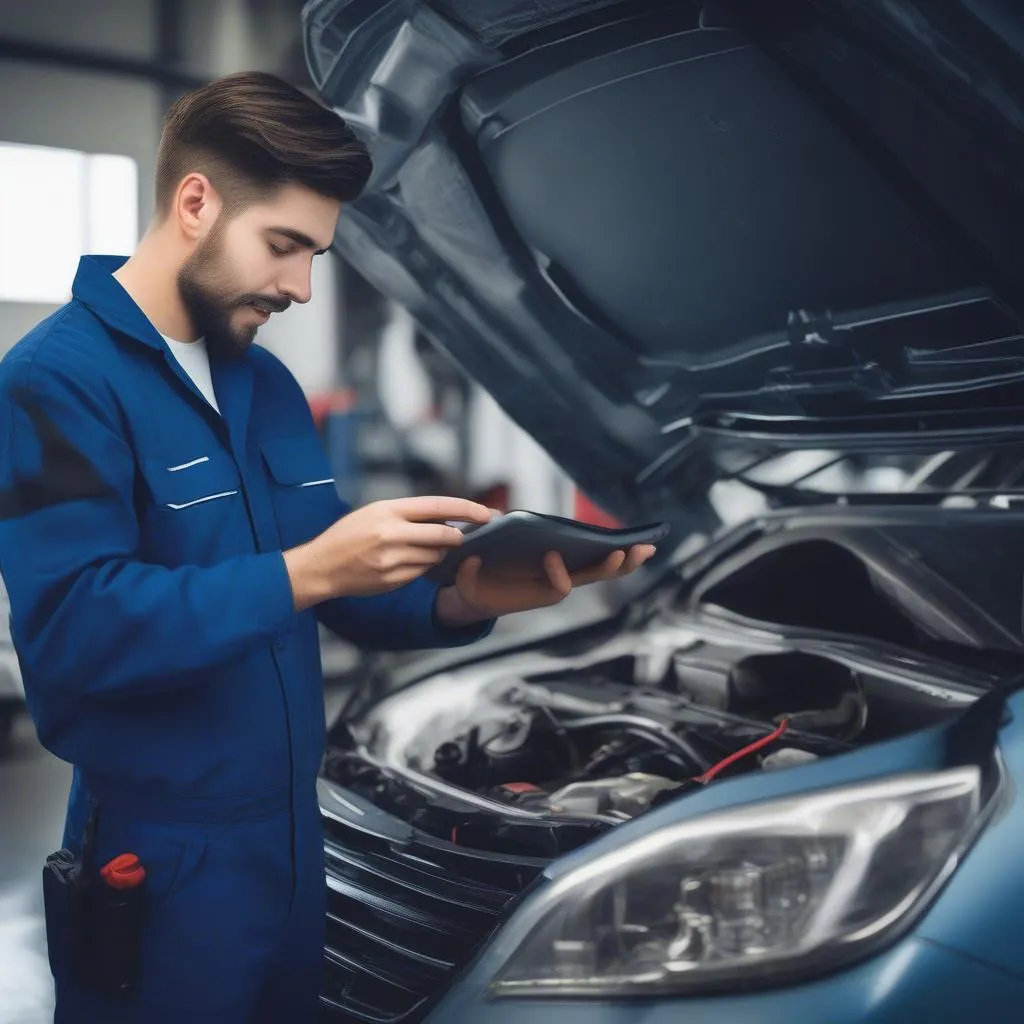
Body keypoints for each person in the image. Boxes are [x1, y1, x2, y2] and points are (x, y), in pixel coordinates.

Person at [0, 71, 655, 1023]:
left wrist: (462, 598)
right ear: (195, 204)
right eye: (285, 246)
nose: (302, 287)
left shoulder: (262, 384)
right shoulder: (51, 383)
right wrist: (310, 570)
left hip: (297, 842)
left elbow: (333, 585)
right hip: (163, 859)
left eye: (316, 255)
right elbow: (74, 632)